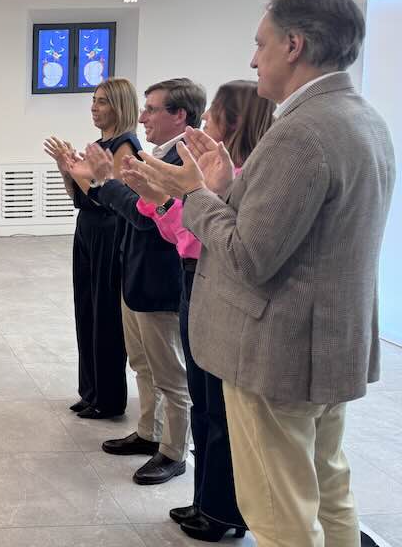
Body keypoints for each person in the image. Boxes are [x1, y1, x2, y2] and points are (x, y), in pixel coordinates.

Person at [134, 0, 394, 547]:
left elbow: (248, 256)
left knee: (278, 513)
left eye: (261, 44)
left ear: (294, 45)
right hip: (328, 346)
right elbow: (301, 237)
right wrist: (223, 189)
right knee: (328, 491)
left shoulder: (299, 133)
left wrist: (194, 194)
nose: (253, 60)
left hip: (279, 353)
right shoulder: (363, 118)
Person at [122, 80, 274, 542]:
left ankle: (223, 510)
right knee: (205, 402)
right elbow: (181, 235)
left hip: (215, 286)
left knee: (218, 408)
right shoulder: (216, 173)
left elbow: (206, 240)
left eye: (213, 115)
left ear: (235, 121)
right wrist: (163, 200)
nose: (204, 121)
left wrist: (174, 198)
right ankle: (206, 499)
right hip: (197, 280)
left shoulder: (242, 177)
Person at [65, 78, 205, 486]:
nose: (142, 118)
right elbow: (136, 209)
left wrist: (106, 183)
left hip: (159, 281)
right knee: (143, 363)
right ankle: (149, 431)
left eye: (152, 109)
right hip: (135, 273)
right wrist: (105, 183)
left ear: (179, 115)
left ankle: (173, 452)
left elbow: (149, 218)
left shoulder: (184, 161)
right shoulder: (158, 156)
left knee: (170, 375)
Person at [43, 77, 136, 422]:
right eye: (93, 101)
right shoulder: (99, 145)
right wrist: (66, 170)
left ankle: (108, 398)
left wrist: (76, 168)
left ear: (120, 105)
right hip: (88, 231)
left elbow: (107, 196)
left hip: (110, 234)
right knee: (86, 309)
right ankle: (90, 391)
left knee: (106, 315)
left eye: (102, 101)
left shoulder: (125, 144)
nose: (94, 108)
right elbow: (80, 197)